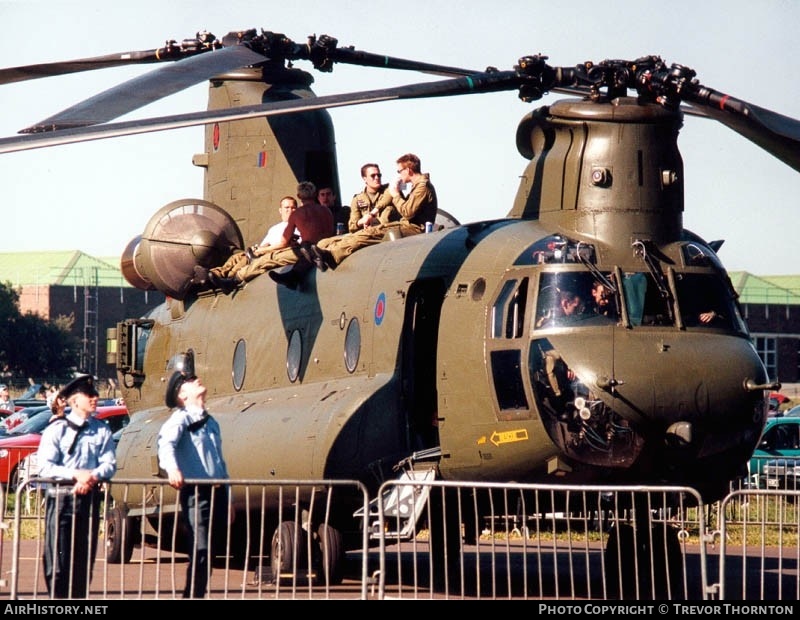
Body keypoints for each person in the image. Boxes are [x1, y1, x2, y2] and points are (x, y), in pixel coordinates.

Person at [271, 154, 436, 288]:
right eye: (373, 175)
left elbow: (407, 211)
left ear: (408, 170)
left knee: (368, 234)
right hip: (392, 227)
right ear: (364, 179)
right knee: (333, 240)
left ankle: (330, 256)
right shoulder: (359, 199)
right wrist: (372, 213)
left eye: (400, 171)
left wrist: (396, 194)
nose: (398, 175)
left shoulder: (421, 186)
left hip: (411, 228)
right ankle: (304, 265)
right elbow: (360, 219)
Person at [37, 374, 116, 599]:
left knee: (83, 559)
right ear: (74, 401)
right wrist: (75, 475)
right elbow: (45, 466)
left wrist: (91, 477)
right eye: (89, 395)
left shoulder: (101, 430)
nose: (95, 398)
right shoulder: (58, 429)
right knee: (58, 559)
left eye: (96, 395)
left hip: (87, 500)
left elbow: (109, 463)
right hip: (61, 498)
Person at [157, 371, 230, 599]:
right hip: (196, 495)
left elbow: (220, 463)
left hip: (217, 495)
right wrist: (172, 469)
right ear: (182, 394)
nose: (196, 380)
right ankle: (192, 596)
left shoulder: (212, 422)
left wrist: (229, 498)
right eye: (189, 381)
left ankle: (195, 594)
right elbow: (165, 445)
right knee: (200, 550)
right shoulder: (181, 419)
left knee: (209, 554)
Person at [211, 182, 333, 291]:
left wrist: (261, 251)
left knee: (266, 260)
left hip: (306, 250)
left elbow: (283, 243)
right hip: (326, 246)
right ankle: (220, 275)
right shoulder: (326, 211)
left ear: (299, 196)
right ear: (315, 195)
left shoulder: (297, 214)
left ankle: (234, 281)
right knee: (240, 257)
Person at [208, 196, 299, 281]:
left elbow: (287, 245)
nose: (290, 210)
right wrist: (257, 249)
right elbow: (264, 244)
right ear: (280, 210)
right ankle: (217, 273)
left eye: (293, 208)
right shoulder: (274, 229)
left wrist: (262, 250)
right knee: (238, 257)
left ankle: (231, 278)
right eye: (287, 208)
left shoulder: (298, 226)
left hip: (279, 252)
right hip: (266, 250)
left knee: (257, 260)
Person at [347, 163, 397, 233]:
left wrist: (371, 216)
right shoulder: (357, 199)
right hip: (367, 234)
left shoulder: (389, 190)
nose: (377, 178)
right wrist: (363, 221)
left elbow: (387, 199)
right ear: (365, 179)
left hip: (389, 232)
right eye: (373, 176)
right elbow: (352, 226)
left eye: (379, 175)